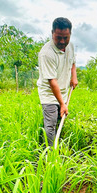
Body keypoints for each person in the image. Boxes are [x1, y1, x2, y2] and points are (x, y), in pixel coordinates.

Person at [37, 17, 78, 145]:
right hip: (49, 93)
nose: (62, 41)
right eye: (58, 37)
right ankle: (50, 154)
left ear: (70, 34)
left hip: (63, 90)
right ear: (52, 33)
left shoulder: (69, 46)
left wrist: (74, 77)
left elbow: (73, 62)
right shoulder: (46, 53)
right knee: (51, 124)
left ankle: (58, 143)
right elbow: (52, 81)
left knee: (61, 118)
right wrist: (63, 104)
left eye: (65, 37)